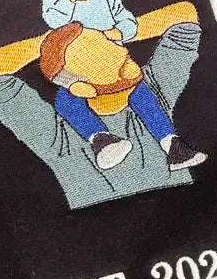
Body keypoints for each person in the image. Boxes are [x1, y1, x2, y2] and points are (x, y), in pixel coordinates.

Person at [39, 21, 207, 172]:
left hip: (123, 88)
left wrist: (127, 68)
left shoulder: (105, 44)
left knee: (143, 96)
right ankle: (101, 139)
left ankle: (171, 144)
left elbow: (127, 64)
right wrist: (73, 85)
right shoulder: (66, 76)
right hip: (93, 95)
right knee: (64, 101)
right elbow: (59, 77)